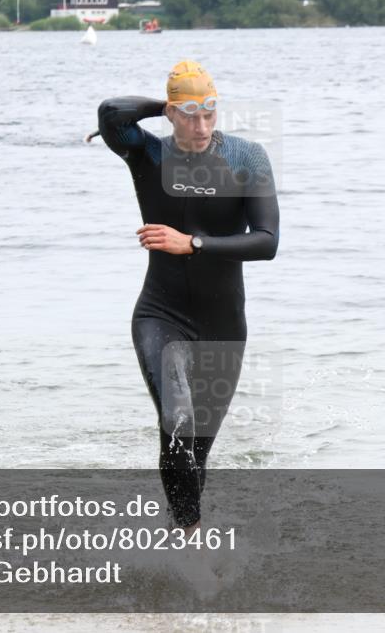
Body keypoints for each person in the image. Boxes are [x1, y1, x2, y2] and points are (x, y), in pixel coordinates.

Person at [97, 60, 279, 533]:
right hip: (162, 314)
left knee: (195, 449)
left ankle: (184, 535)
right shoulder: (148, 155)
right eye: (189, 115)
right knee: (176, 423)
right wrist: (167, 106)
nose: (200, 126)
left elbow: (266, 242)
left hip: (223, 327)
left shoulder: (246, 158)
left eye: (210, 114)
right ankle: (194, 549)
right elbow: (111, 112)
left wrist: (192, 243)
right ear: (172, 115)